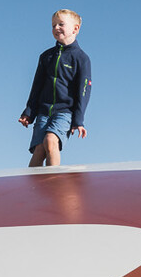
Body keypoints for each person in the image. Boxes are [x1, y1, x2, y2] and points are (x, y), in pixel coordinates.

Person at [19, 9, 93, 166]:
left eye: (61, 24)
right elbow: (36, 86)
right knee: (39, 149)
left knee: (50, 140)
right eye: (53, 25)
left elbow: (84, 91)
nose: (56, 28)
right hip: (43, 112)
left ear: (75, 28)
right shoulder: (46, 56)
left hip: (64, 112)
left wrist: (78, 120)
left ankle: (55, 186)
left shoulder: (81, 58)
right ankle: (31, 189)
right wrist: (29, 112)